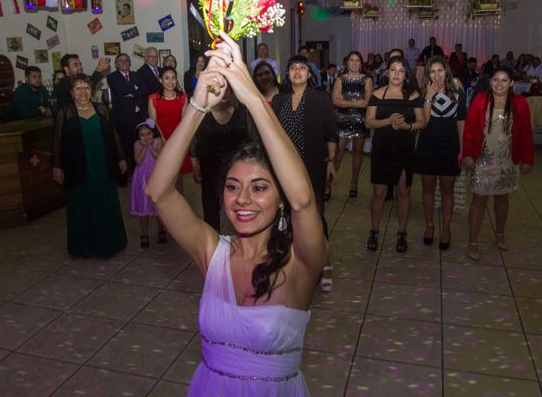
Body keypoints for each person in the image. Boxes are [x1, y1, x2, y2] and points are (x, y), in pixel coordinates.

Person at [145, 31, 327, 394]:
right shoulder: (213, 252)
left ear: (280, 199)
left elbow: (304, 201)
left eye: (259, 187)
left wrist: (253, 99)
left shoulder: (301, 262)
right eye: (233, 186)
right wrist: (196, 106)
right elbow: (159, 192)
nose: (242, 198)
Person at [272, 55, 338, 292]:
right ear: (287, 74)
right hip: (284, 169)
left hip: (312, 166)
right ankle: (294, 264)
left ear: (309, 74)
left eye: (302, 68)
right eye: (293, 68)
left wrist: (331, 160)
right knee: (286, 217)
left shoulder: (320, 98)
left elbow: (331, 131)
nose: (297, 72)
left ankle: (325, 264)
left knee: (315, 216)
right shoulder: (279, 100)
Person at [462, 66, 534, 261]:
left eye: (504, 80)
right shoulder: (481, 100)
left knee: (502, 199)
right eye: (495, 80)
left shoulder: (519, 103)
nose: (499, 84)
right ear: (490, 81)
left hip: (507, 159)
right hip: (483, 158)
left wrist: (528, 158)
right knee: (479, 200)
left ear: (511, 83)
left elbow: (526, 132)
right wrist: (467, 154)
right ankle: (473, 240)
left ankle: (500, 232)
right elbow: (469, 129)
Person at [52, 74, 127, 257]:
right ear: (71, 92)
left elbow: (113, 134)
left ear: (91, 90)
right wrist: (56, 166)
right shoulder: (65, 112)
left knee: (105, 203)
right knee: (82, 205)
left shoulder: (101, 109)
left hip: (103, 164)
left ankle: (110, 243)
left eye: (86, 88)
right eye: (78, 88)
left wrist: (121, 157)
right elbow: (57, 141)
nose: (83, 92)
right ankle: (83, 247)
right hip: (77, 168)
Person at [365, 56, 424, 252]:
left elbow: (422, 122)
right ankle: (374, 230)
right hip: (382, 149)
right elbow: (369, 122)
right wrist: (388, 121)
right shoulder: (377, 94)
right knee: (379, 193)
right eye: (393, 70)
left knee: (403, 192)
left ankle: (402, 232)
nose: (396, 74)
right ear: (387, 72)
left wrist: (408, 126)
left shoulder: (413, 96)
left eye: (401, 70)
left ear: (406, 74)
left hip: (405, 150)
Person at [415, 56, 466, 251]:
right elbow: (424, 123)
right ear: (428, 74)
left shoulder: (456, 90)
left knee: (447, 189)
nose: (436, 75)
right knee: (427, 188)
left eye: (440, 71)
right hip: (427, 145)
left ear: (446, 72)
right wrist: (429, 96)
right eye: (432, 71)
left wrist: (462, 151)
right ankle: (429, 225)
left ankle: (446, 228)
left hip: (449, 146)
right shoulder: (422, 92)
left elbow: (461, 123)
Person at [190, 84, 255, 231]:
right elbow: (194, 141)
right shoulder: (202, 114)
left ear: (232, 92)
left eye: (228, 90)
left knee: (238, 205)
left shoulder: (242, 113)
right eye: (220, 90)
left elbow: (252, 141)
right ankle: (213, 243)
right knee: (210, 207)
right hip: (209, 169)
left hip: (237, 171)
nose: (224, 93)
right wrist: (194, 165)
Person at [332, 51, 374, 198]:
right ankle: (328, 183)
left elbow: (368, 102)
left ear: (361, 63)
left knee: (357, 152)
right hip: (342, 119)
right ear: (347, 63)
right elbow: (335, 101)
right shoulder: (340, 79)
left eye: (357, 60)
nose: (354, 63)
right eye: (351, 60)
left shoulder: (367, 80)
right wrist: (356, 102)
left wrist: (346, 101)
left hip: (360, 120)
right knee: (337, 153)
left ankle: (354, 183)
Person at [148, 66, 192, 191]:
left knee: (178, 176)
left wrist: (177, 141)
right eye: (167, 78)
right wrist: (163, 139)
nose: (171, 81)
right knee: (163, 176)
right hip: (161, 139)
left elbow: (185, 122)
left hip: (178, 139)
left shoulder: (183, 97)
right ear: (160, 80)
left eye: (173, 78)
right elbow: (153, 122)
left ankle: (178, 203)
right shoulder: (153, 98)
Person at [107, 53, 148, 180]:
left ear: (130, 63)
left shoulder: (136, 75)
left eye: (127, 60)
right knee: (125, 147)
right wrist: (136, 90)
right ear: (116, 64)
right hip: (123, 118)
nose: (124, 62)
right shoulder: (112, 77)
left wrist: (132, 93)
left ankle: (138, 174)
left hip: (138, 116)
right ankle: (125, 176)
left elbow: (144, 89)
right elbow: (121, 91)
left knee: (140, 145)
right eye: (121, 60)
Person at [130, 119, 163, 248]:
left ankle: (162, 229)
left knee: (158, 207)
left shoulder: (157, 142)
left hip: (155, 177)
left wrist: (150, 146)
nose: (146, 137)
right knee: (143, 207)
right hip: (141, 179)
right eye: (142, 135)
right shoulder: (137, 144)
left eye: (148, 134)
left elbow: (159, 158)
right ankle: (144, 233)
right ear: (138, 136)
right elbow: (138, 161)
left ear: (152, 133)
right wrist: (144, 147)